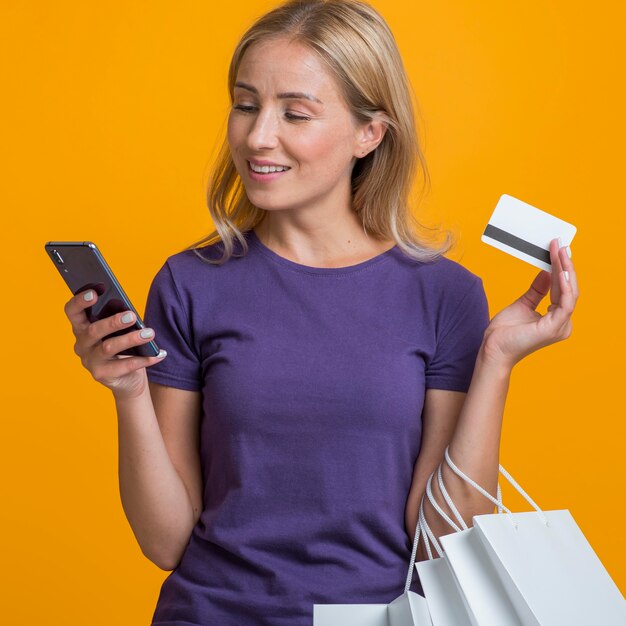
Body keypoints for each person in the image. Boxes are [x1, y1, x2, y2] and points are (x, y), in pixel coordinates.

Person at [63, 0, 578, 624]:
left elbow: (443, 541)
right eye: (246, 104)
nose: (257, 137)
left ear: (370, 132)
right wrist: (128, 393)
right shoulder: (191, 283)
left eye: (295, 114)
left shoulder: (444, 296)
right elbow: (166, 541)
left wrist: (495, 362)